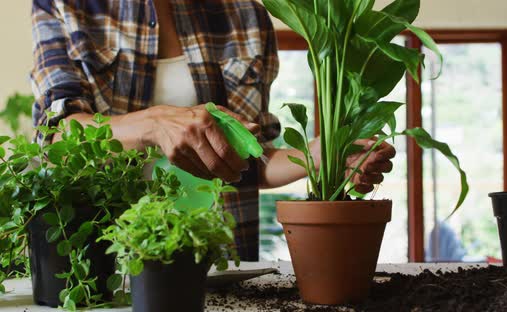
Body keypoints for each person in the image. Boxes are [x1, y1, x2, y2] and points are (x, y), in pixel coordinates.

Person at [30, 0, 396, 261]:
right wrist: (156, 124)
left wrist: (319, 156)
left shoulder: (246, 14)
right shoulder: (65, 5)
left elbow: (250, 159)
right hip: (107, 261)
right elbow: (58, 136)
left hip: (218, 255)